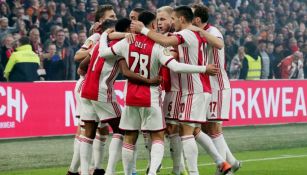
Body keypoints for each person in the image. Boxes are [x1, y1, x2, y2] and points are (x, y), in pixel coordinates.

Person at [100, 10, 218, 175]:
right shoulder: (157, 46)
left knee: (129, 137)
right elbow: (176, 67)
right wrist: (203, 68)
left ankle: (128, 173)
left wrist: (104, 36)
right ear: (153, 25)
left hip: (131, 97)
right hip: (150, 98)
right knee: (157, 136)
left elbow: (103, 53)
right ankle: (153, 172)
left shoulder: (127, 42)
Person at [130, 6, 231, 175]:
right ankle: (221, 162)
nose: (167, 22)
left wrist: (143, 30)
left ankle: (192, 171)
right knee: (191, 130)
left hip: (194, 89)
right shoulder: (191, 33)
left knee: (186, 132)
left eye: (170, 19)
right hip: (189, 89)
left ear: (181, 19)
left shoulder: (186, 33)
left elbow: (168, 43)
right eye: (159, 19)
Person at [191, 4, 240, 173]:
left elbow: (219, 44)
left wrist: (198, 31)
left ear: (197, 19)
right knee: (204, 128)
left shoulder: (213, 32)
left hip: (217, 86)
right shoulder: (194, 33)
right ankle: (232, 162)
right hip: (205, 86)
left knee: (213, 128)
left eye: (190, 17)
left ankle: (223, 169)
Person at [156, 6, 187, 175]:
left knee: (173, 129)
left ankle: (178, 169)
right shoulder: (159, 38)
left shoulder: (174, 38)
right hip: (162, 90)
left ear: (172, 20)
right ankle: (179, 168)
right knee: (167, 130)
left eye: (163, 19)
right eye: (157, 19)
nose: (159, 23)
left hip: (174, 90)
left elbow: (171, 57)